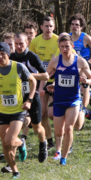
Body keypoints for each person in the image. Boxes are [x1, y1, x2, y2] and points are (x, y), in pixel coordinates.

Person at [0, 42, 37, 179]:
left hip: (17, 110)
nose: (0, 57)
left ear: (8, 54)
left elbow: (33, 81)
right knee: (5, 144)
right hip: (2, 110)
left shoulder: (19, 67)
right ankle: (15, 171)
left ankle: (21, 143)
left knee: (10, 140)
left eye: (3, 54)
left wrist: (29, 100)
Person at [44, 34, 91, 165]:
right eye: (62, 47)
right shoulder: (55, 61)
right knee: (58, 131)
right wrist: (47, 85)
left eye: (67, 46)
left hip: (73, 99)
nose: (64, 49)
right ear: (59, 47)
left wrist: (86, 80)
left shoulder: (80, 62)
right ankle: (59, 150)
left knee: (69, 128)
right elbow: (46, 75)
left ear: (72, 46)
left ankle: (63, 157)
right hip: (59, 99)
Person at [8, 33, 49, 169]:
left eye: (22, 44)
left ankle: (43, 144)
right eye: (16, 44)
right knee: (14, 128)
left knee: (37, 128)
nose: (19, 47)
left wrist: (28, 75)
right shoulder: (11, 57)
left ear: (27, 42)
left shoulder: (32, 57)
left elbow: (45, 75)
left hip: (32, 96)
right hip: (16, 98)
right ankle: (11, 162)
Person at [30, 16, 60, 150]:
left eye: (51, 26)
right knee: (42, 113)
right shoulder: (35, 42)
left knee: (55, 113)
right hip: (41, 80)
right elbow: (31, 63)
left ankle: (61, 137)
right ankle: (50, 141)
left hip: (57, 80)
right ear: (41, 27)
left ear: (54, 27)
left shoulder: (58, 40)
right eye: (46, 26)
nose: (48, 29)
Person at [68, 13, 91, 115]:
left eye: (77, 24)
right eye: (72, 24)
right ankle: (88, 94)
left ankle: (84, 110)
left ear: (81, 26)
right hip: (72, 67)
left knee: (84, 84)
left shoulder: (86, 38)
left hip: (84, 67)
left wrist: (90, 62)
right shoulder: (68, 37)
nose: (74, 27)